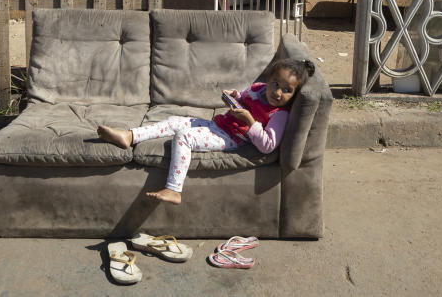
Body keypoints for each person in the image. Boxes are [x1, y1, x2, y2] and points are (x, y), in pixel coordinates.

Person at [97, 58, 315, 204]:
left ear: (294, 95)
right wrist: (235, 96)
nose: (278, 92)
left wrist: (250, 121)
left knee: (184, 137)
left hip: (232, 139)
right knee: (174, 121)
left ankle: (174, 189)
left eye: (287, 90)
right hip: (220, 124)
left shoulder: (279, 114)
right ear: (268, 80)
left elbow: (267, 145)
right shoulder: (258, 89)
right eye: (276, 84)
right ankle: (130, 136)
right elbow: (243, 96)